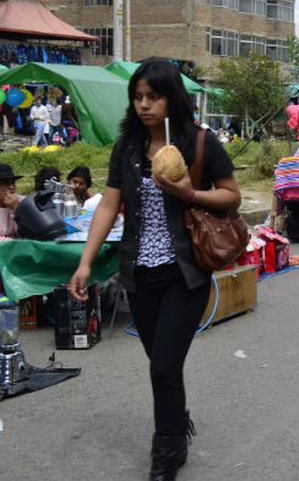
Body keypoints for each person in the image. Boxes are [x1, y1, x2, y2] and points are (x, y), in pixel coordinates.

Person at [68, 59, 241, 481]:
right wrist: (85, 263)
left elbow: (231, 196)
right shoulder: (127, 148)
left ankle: (167, 450)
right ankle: (175, 418)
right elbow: (108, 205)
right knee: (163, 364)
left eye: (154, 96)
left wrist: (189, 192)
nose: (144, 105)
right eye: (138, 97)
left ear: (172, 98)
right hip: (139, 275)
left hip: (185, 274)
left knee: (163, 366)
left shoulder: (199, 143)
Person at [0, 163, 24, 239]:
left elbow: (29, 232)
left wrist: (16, 209)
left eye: (13, 182)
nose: (11, 187)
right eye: (5, 183)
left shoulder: (22, 202)